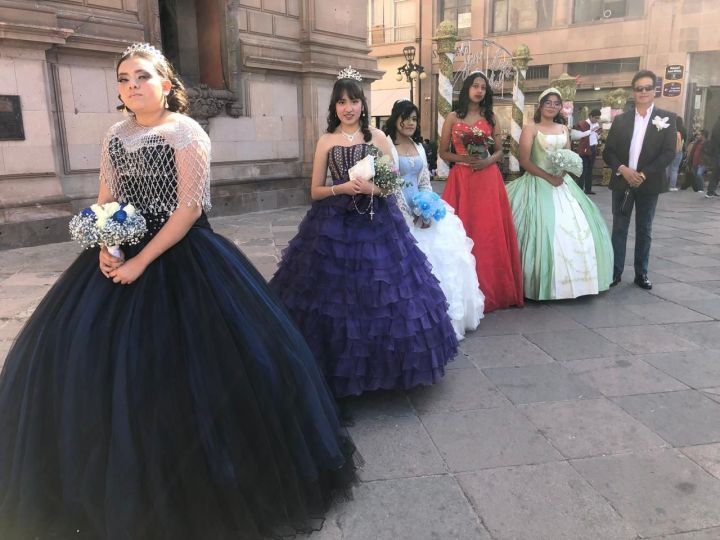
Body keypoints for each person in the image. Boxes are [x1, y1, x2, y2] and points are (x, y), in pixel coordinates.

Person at [0, 43, 358, 540]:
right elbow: (106, 197)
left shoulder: (186, 132)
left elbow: (189, 210)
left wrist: (141, 261)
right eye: (124, 79)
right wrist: (106, 245)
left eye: (142, 76)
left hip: (182, 255)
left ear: (166, 84)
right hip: (123, 250)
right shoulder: (115, 134)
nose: (132, 86)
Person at [269, 68, 458, 401]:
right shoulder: (326, 141)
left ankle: (384, 369)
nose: (348, 108)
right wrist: (341, 188)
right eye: (342, 102)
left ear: (362, 104)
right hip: (332, 225)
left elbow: (392, 184)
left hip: (376, 222)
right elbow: (315, 191)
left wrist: (373, 188)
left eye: (354, 101)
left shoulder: (378, 138)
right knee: (332, 296)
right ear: (334, 106)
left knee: (384, 294)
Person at [384, 99, 484, 340]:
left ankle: (441, 317)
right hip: (396, 212)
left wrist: (427, 209)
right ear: (395, 118)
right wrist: (408, 214)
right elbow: (391, 186)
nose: (410, 123)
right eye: (405, 117)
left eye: (414, 119)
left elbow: (424, 182)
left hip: (422, 210)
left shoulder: (418, 146)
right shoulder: (386, 146)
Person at [505, 88, 613, 300]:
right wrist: (548, 177)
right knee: (542, 228)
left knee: (580, 227)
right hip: (537, 181)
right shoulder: (530, 129)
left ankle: (579, 281)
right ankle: (540, 282)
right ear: (541, 105)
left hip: (562, 183)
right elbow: (525, 161)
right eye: (548, 102)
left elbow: (568, 156)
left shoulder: (564, 129)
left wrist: (562, 173)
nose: (552, 106)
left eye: (556, 103)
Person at [439, 71, 524, 312]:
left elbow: (499, 151)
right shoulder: (452, 117)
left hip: (487, 180)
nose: (479, 90)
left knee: (488, 232)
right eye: (475, 86)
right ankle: (463, 291)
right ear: (467, 88)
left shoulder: (491, 117)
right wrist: (462, 158)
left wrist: (487, 161)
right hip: (461, 180)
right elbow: (443, 152)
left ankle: (493, 288)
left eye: (483, 87)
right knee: (462, 229)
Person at [603, 70, 677, 290]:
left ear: (654, 91)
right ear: (633, 92)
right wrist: (623, 169)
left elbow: (668, 153)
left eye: (647, 88)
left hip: (649, 182)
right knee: (619, 228)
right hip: (622, 182)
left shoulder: (667, 118)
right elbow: (608, 152)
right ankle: (615, 272)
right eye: (639, 88)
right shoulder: (621, 120)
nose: (643, 92)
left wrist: (643, 174)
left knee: (644, 229)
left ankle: (641, 273)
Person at [572, 108, 601, 194]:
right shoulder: (583, 123)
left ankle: (588, 189)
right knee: (583, 170)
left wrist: (597, 134)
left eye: (598, 118)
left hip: (593, 148)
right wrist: (591, 130)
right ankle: (580, 190)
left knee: (590, 170)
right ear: (590, 116)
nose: (597, 120)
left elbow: (595, 136)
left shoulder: (596, 124)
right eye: (595, 118)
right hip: (584, 149)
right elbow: (578, 135)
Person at [666, 116, 686, 191]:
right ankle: (672, 186)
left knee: (667, 168)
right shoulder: (683, 130)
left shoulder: (671, 129)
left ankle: (664, 184)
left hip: (669, 150)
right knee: (674, 169)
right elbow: (685, 140)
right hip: (678, 151)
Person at [704, 116, 720, 197]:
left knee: (716, 172)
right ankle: (710, 191)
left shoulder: (716, 125)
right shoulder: (718, 126)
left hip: (716, 152)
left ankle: (711, 190)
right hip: (718, 152)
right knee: (716, 172)